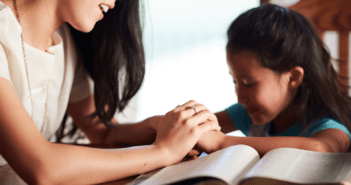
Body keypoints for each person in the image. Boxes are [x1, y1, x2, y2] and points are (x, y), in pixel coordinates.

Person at [0, 0, 220, 184]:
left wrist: (153, 128)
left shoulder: (65, 41)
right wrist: (163, 151)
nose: (114, 4)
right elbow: (42, 167)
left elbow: (102, 131)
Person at [196, 3, 351, 157]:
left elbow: (321, 148)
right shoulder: (249, 113)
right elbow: (197, 131)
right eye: (235, 82)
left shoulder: (325, 124)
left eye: (248, 83)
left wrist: (221, 142)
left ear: (293, 78)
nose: (240, 98)